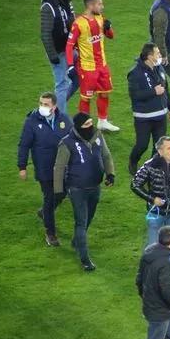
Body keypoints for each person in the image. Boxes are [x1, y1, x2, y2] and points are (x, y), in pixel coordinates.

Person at [53, 112, 115, 271]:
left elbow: (106, 155)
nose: (90, 126)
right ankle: (85, 259)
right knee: (81, 222)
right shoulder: (67, 143)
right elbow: (59, 168)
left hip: (95, 186)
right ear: (79, 127)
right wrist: (58, 190)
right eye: (87, 124)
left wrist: (110, 174)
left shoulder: (97, 135)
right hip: (77, 189)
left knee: (89, 218)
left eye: (91, 123)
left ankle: (77, 241)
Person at [18, 92, 74, 247]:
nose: (42, 107)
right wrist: (22, 166)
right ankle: (50, 233)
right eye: (41, 103)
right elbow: (24, 145)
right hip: (44, 168)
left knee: (62, 193)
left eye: (46, 104)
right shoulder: (31, 121)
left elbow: (73, 140)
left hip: (62, 166)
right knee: (49, 198)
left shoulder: (64, 119)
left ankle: (44, 212)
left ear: (54, 106)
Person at [65, 0, 119, 132]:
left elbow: (111, 36)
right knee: (86, 98)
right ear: (90, 6)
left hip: (102, 65)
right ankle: (84, 125)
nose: (102, 7)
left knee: (104, 93)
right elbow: (69, 46)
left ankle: (102, 122)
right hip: (87, 68)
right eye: (99, 4)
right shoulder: (78, 24)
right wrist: (70, 65)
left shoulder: (100, 18)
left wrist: (108, 28)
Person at [127, 43, 170, 175]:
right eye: (157, 53)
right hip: (144, 117)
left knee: (158, 146)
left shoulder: (159, 68)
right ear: (149, 56)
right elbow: (135, 95)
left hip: (160, 116)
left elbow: (165, 89)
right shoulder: (135, 73)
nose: (160, 55)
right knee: (142, 145)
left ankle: (152, 169)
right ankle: (133, 161)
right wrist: (153, 91)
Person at [40, 0, 78, 114]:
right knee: (62, 84)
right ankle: (60, 119)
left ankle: (56, 106)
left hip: (70, 48)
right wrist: (52, 55)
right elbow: (45, 33)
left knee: (79, 76)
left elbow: (73, 21)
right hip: (58, 52)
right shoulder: (48, 5)